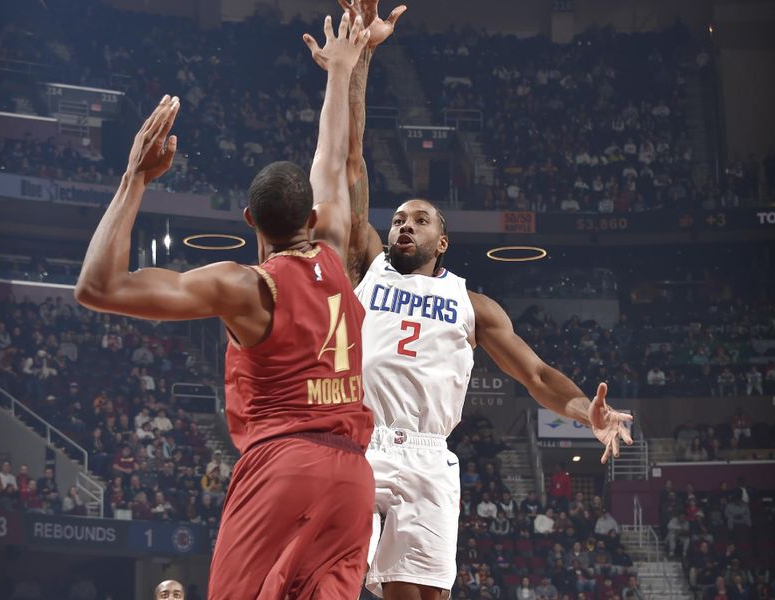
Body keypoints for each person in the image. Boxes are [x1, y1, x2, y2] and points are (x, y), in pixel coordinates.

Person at [307, 3, 633, 596]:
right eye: (400, 218)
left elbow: (535, 374)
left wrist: (590, 412)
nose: (404, 225)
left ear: (443, 239)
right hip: (361, 442)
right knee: (332, 582)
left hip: (431, 456)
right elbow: (351, 160)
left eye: (420, 219)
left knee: (422, 594)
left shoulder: (473, 305)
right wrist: (361, 61)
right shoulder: (368, 264)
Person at [75, 14, 374, 599]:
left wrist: (135, 178)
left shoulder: (246, 286)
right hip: (354, 476)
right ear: (312, 218)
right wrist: (340, 71)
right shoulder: (337, 249)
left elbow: (98, 286)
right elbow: (331, 160)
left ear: (248, 222)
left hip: (284, 465)